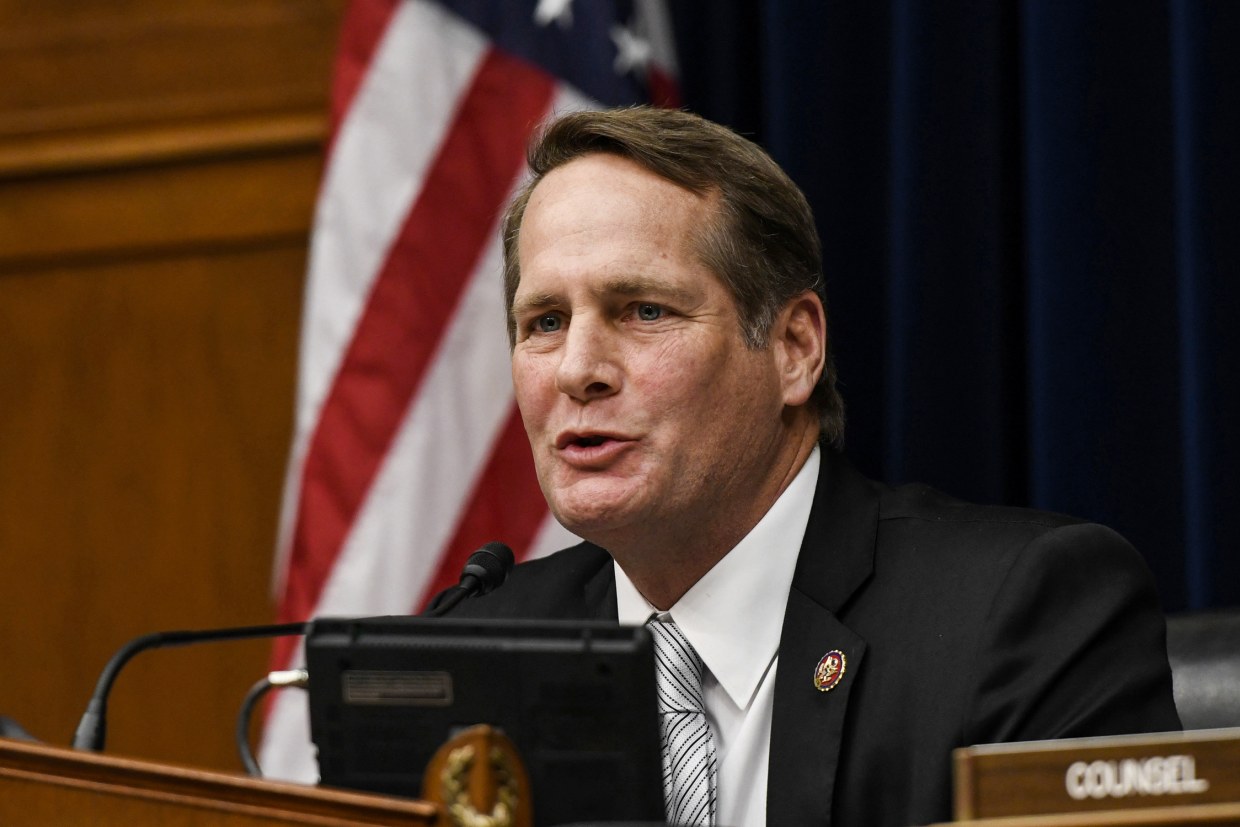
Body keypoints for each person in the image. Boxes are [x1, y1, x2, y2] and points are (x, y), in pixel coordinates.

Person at [436, 106, 1181, 827]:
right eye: (545, 322)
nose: (577, 369)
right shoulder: (479, 646)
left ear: (794, 348)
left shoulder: (1023, 615)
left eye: (644, 310)